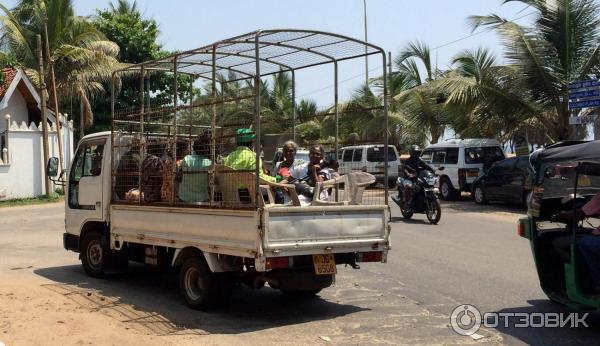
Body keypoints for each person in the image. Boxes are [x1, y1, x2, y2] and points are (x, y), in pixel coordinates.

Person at [223, 128, 276, 202]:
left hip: (230, 195)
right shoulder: (254, 157)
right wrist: (275, 179)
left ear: (237, 142)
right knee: (277, 193)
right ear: (250, 142)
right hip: (248, 195)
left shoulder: (229, 157)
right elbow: (258, 178)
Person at [179, 135, 212, 203]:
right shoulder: (209, 163)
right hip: (202, 198)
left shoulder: (186, 158)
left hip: (184, 197)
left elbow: (180, 175)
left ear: (194, 147)